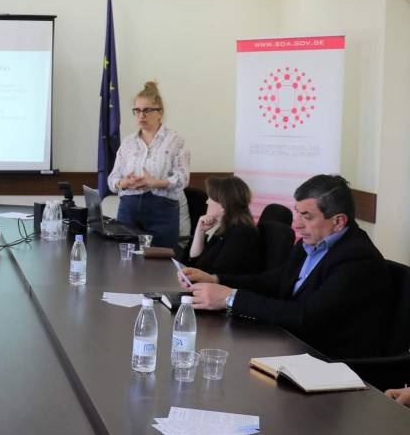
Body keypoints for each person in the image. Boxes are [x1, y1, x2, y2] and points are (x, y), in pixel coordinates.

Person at [180, 174, 390, 359]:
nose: (297, 224)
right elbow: (272, 281)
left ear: (338, 221)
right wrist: (216, 279)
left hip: (329, 359)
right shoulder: (310, 243)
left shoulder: (357, 258)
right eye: (297, 213)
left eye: (307, 216)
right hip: (292, 343)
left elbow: (307, 316)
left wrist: (229, 298)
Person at [107, 81, 190, 249]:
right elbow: (112, 179)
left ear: (160, 112)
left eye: (146, 110)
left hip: (162, 212)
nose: (141, 115)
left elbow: (183, 179)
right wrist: (123, 183)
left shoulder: (175, 140)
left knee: (160, 261)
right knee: (125, 259)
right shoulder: (128, 143)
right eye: (137, 110)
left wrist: (156, 183)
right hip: (129, 210)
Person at [180, 176, 261, 276]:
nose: (207, 202)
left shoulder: (241, 233)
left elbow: (216, 273)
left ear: (223, 204)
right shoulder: (225, 229)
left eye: (210, 198)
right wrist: (200, 232)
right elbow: (195, 261)